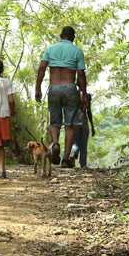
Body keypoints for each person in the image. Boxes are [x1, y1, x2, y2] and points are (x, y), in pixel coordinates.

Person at [35, 26, 88, 168]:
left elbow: (41, 68)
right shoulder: (77, 51)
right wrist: (83, 93)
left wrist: (37, 88)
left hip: (54, 88)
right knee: (69, 125)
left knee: (55, 122)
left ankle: (56, 143)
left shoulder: (50, 49)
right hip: (70, 88)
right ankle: (65, 159)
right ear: (73, 37)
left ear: (61, 35)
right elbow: (81, 75)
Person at [71, 92, 93, 168]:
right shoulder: (87, 96)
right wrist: (92, 126)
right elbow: (89, 112)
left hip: (75, 120)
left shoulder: (74, 95)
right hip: (83, 119)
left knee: (75, 142)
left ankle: (73, 154)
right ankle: (83, 164)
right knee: (83, 144)